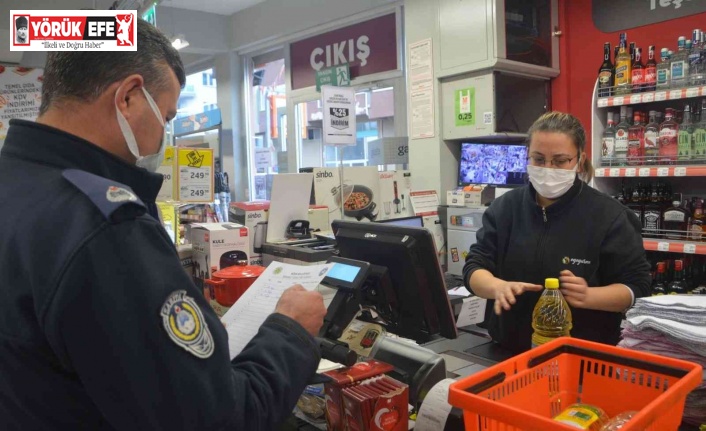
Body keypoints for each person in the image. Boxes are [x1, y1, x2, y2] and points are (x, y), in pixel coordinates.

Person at [0, 18, 327, 430]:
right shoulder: (104, 226)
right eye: (167, 116)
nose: (162, 137)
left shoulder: (14, 182)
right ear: (130, 97)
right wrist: (290, 332)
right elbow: (218, 419)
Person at [463, 112, 651, 354]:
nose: (547, 168)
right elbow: (475, 266)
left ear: (579, 160)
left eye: (560, 161)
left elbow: (638, 287)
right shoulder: (504, 209)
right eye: (539, 159)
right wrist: (496, 286)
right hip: (509, 351)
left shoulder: (610, 216)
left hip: (583, 358)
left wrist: (589, 296)